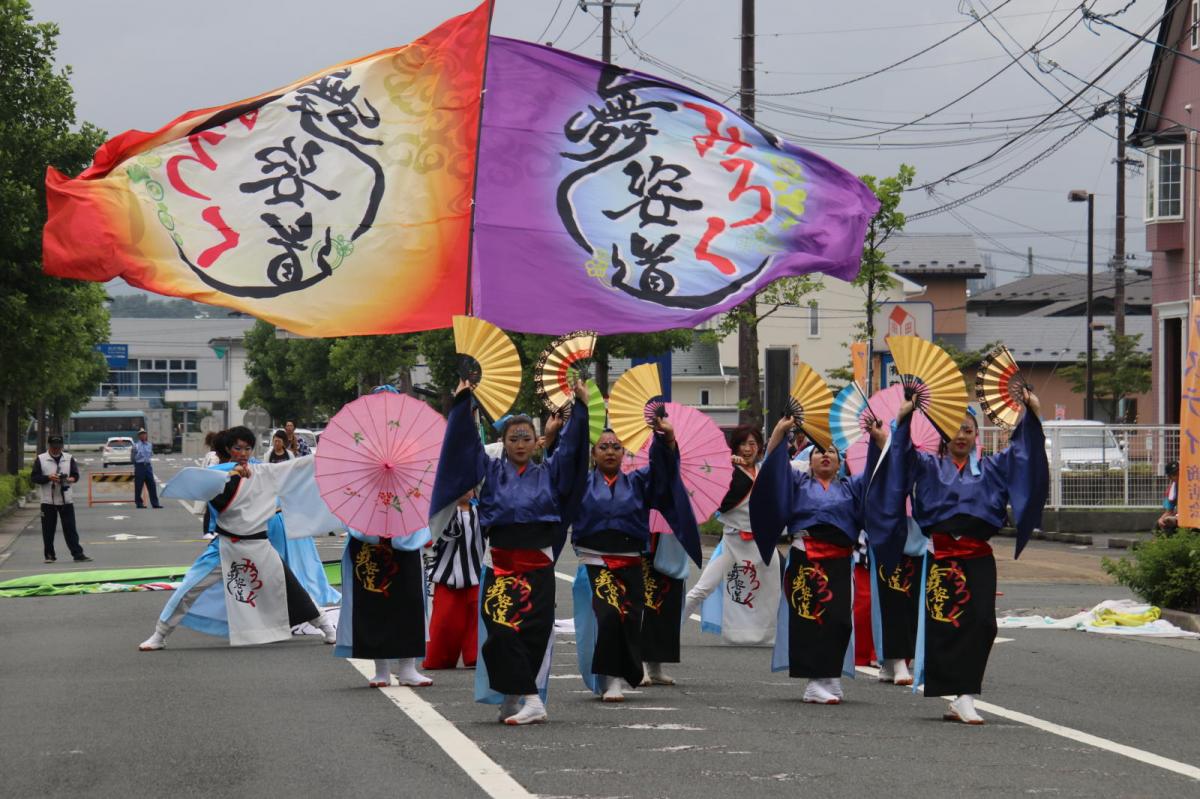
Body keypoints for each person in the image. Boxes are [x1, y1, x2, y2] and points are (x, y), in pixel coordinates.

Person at [880, 390, 1048, 725]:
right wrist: (904, 418)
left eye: (968, 430)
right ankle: (960, 695)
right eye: (955, 429)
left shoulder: (992, 467)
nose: (961, 435)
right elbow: (900, 456)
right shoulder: (928, 466)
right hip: (942, 554)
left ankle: (965, 693)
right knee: (946, 624)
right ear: (944, 434)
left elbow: (1023, 452)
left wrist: (1032, 413)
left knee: (984, 623)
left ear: (976, 436)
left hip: (977, 554)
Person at [429, 379, 589, 725]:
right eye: (513, 438)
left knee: (532, 631)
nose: (519, 443)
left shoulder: (549, 471)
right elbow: (465, 446)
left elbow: (573, 452)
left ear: (537, 442)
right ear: (503, 442)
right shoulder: (491, 470)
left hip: (537, 564)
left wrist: (580, 408)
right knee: (499, 630)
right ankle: (517, 694)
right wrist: (463, 403)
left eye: (526, 438)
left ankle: (528, 699)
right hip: (500, 563)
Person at [138, 426, 337, 651]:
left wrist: (331, 456)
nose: (243, 453)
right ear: (228, 449)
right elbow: (214, 500)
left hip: (259, 545)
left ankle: (327, 627)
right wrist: (231, 477)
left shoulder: (264, 471)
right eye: (238, 448)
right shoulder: (218, 473)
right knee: (190, 587)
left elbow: (298, 468)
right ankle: (160, 633)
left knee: (291, 588)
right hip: (225, 545)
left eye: (248, 448)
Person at [750, 416, 887, 705]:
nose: (825, 455)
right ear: (808, 461)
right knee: (810, 620)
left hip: (839, 560)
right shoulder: (797, 483)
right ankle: (814, 682)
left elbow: (879, 473)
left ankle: (830, 676)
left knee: (839, 622)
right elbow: (772, 468)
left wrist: (878, 440)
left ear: (840, 463)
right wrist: (779, 431)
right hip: (806, 558)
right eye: (818, 451)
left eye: (832, 452)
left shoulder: (851, 487)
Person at [570, 423, 698, 703]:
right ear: (593, 453)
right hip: (596, 561)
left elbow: (664, 475)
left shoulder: (638, 482)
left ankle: (617, 676)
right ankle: (611, 679)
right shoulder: (580, 483)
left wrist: (666, 441)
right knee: (608, 615)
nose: (610, 452)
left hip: (630, 562)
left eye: (616, 447)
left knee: (629, 620)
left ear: (624, 452)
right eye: (603, 447)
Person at [683, 425, 780, 645]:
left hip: (762, 543)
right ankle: (666, 631)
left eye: (753, 444)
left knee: (781, 585)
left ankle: (777, 636)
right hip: (732, 543)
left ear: (760, 448)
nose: (748, 449)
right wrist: (726, 465)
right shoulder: (727, 470)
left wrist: (782, 428)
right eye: (743, 444)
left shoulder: (765, 471)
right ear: (735, 447)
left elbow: (777, 456)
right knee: (702, 589)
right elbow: (709, 481)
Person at [335, 525, 433, 688]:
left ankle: (408, 668)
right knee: (371, 604)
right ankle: (381, 669)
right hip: (367, 543)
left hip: (405, 536)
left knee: (409, 604)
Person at [423, 489, 486, 670]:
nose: (466, 491)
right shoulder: (445, 513)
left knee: (477, 616)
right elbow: (442, 535)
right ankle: (439, 657)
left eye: (470, 487)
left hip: (476, 571)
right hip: (447, 573)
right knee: (444, 620)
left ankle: (475, 655)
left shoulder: (481, 511)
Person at [30, 435, 90, 564]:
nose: (56, 449)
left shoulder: (68, 458)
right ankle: (49, 555)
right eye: (54, 447)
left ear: (62, 446)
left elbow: (75, 476)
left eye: (58, 447)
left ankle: (78, 554)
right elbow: (34, 477)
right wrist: (49, 478)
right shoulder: (41, 459)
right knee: (48, 530)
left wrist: (68, 479)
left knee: (70, 528)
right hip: (48, 500)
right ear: (49, 446)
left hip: (66, 499)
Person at [132, 428, 162, 509]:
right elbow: (133, 458)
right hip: (140, 466)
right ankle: (139, 503)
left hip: (148, 466)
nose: (143, 435)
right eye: (141, 434)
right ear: (139, 436)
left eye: (144, 434)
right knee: (138, 486)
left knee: (152, 485)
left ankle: (155, 504)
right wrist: (138, 463)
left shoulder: (149, 444)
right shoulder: (136, 445)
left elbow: (151, 454)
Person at [1158, 460, 1179, 533]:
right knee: (1160, 524)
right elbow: (1169, 511)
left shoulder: (1193, 485)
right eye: (1175, 474)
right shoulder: (1171, 490)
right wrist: (1161, 519)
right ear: (1169, 477)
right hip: (1179, 516)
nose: (1178, 475)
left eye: (1179, 472)